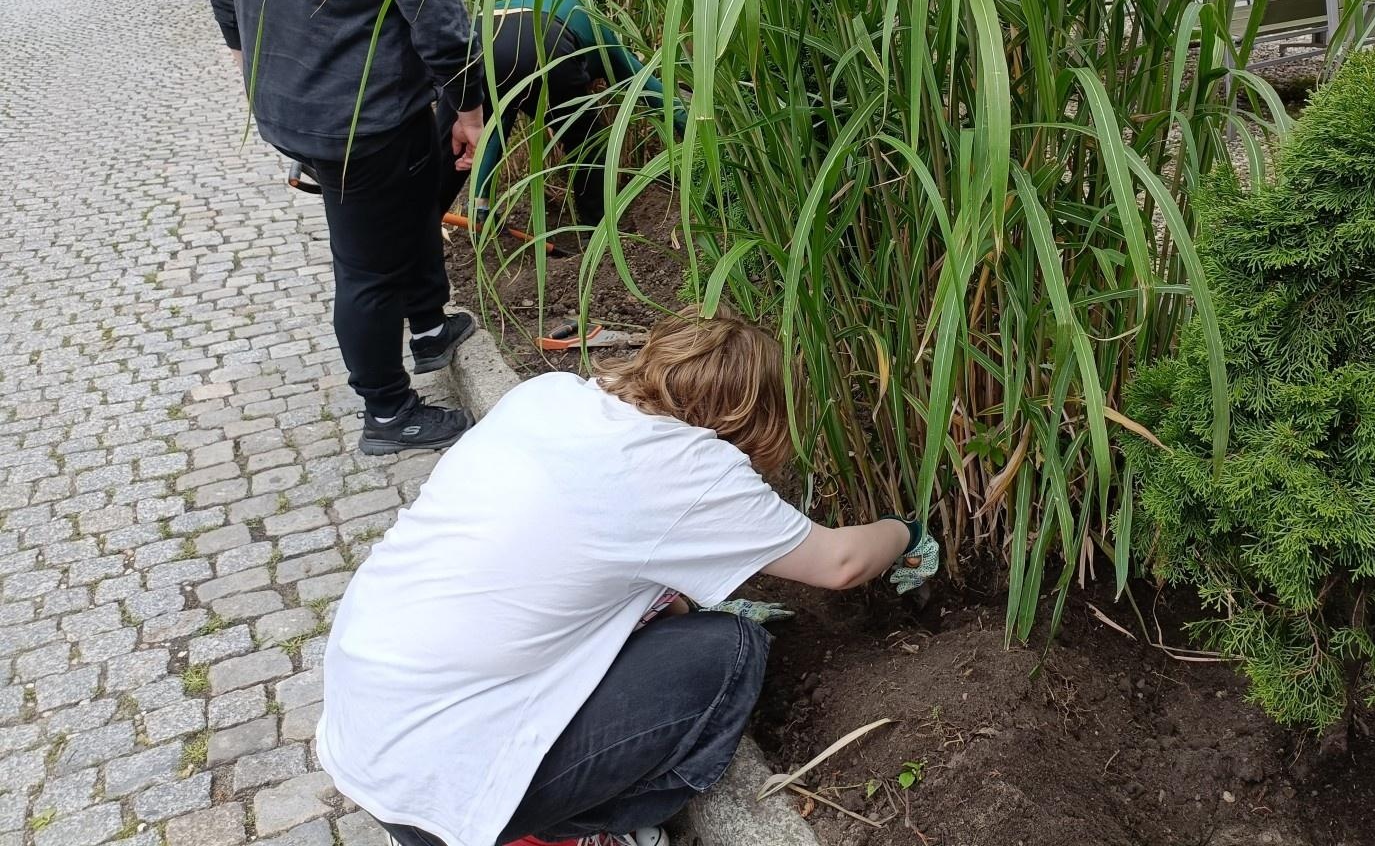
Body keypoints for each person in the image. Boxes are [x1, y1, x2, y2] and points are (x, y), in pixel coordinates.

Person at [317, 307, 940, 846]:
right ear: (756, 417)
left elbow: (594, 569)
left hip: (365, 732)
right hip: (443, 794)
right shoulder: (688, 468)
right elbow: (842, 563)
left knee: (672, 621)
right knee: (728, 651)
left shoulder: (551, 395)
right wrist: (905, 531)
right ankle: (559, 828)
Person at [203, 0, 484, 456]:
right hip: (364, 120)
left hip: (297, 110)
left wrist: (253, 61)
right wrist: (472, 108)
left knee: (414, 195)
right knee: (363, 265)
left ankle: (429, 324)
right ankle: (388, 412)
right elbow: (442, 22)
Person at [437, 0, 686, 231]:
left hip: (475, 37)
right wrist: (692, 134)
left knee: (456, 143)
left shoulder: (544, 1)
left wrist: (481, 200)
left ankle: (447, 218)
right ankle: (600, 227)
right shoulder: (603, 37)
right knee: (587, 140)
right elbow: (655, 93)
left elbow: (494, 131)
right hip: (543, 38)